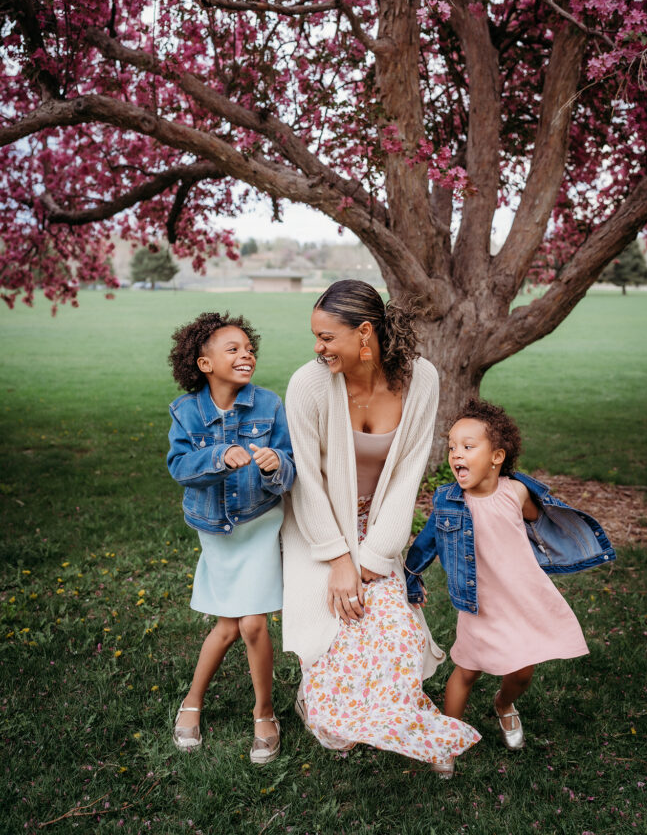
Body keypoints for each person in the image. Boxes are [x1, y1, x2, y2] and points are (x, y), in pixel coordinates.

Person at [281, 280, 481, 776]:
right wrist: (339, 560)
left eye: (328, 337)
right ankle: (334, 712)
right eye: (316, 336)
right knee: (335, 631)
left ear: (364, 333)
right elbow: (306, 483)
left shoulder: (422, 380)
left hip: (380, 527)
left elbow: (409, 474)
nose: (317, 347)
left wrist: (373, 558)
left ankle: (412, 726)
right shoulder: (308, 384)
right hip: (319, 527)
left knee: (395, 634)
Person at [405, 397, 616, 750]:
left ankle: (504, 703)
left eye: (468, 446)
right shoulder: (449, 503)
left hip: (522, 598)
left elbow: (540, 523)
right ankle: (446, 740)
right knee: (468, 671)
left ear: (496, 457)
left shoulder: (516, 492)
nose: (456, 454)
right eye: (452, 447)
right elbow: (424, 546)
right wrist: (412, 576)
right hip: (479, 603)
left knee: (521, 671)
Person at [167, 311, 295, 763]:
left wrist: (276, 464)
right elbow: (180, 468)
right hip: (217, 530)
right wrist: (220, 455)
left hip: (259, 522)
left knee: (253, 623)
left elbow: (290, 461)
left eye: (249, 348)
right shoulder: (186, 413)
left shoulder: (269, 405)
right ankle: (192, 702)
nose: (247, 355)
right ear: (205, 364)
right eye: (233, 349)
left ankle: (264, 713)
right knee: (226, 626)